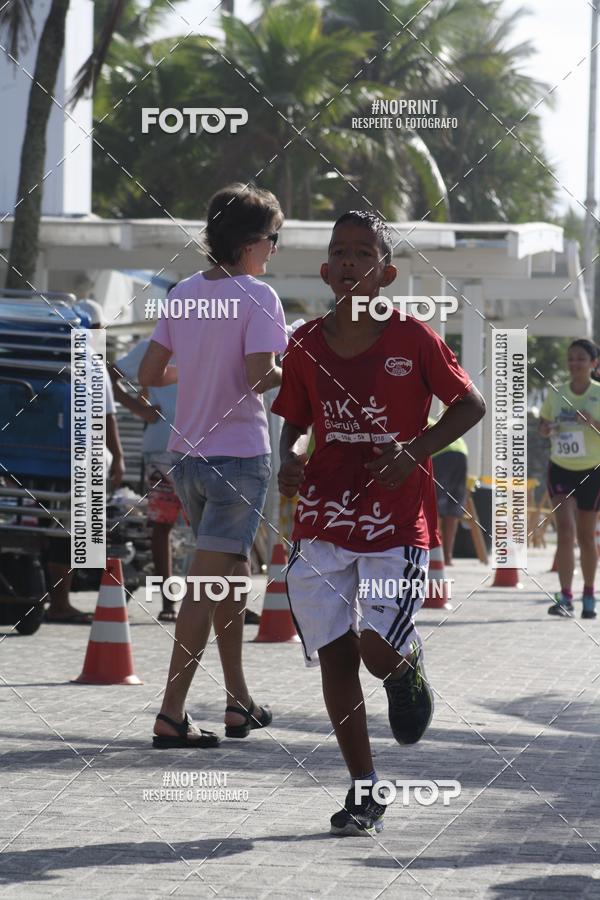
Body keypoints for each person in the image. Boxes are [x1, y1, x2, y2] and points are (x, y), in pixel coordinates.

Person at [272, 210, 485, 835]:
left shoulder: (414, 338)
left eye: (362, 253)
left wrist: (414, 451)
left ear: (385, 273)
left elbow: (469, 404)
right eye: (338, 252)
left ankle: (405, 660)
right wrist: (288, 458)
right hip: (323, 518)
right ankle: (365, 791)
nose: (348, 262)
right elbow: (296, 420)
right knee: (336, 658)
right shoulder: (306, 342)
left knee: (374, 650)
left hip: (396, 519)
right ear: (324, 269)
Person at [139, 183, 288, 748]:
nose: (273, 250)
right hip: (240, 456)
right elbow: (258, 376)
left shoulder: (183, 293)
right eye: (273, 239)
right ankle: (172, 712)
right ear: (251, 243)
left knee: (227, 579)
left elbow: (151, 373)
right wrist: (295, 362)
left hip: (188, 458)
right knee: (208, 584)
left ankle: (238, 703)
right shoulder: (259, 296)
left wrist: (197, 371)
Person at [44, 298, 125, 623]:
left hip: (48, 459)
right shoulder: (92, 362)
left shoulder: (48, 360)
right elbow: (107, 418)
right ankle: (60, 604)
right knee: (74, 535)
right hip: (84, 461)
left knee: (57, 532)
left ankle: (54, 599)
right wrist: (118, 458)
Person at [111, 337, 181, 622]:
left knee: (210, 530)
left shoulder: (217, 337)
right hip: (164, 447)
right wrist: (140, 409)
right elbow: (106, 374)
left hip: (209, 446)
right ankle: (169, 602)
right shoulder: (154, 344)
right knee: (162, 525)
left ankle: (212, 604)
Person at [539, 338, 600, 619]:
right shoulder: (557, 393)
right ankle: (565, 597)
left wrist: (592, 423)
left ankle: (589, 595)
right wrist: (546, 428)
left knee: (587, 536)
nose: (575, 363)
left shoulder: (598, 394)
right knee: (565, 532)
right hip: (561, 467)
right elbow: (543, 424)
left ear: (593, 364)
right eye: (571, 358)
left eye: (581, 358)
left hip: (592, 471)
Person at [429, 416, 468, 566]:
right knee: (453, 507)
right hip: (461, 450)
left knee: (433, 506)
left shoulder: (410, 419)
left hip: (440, 453)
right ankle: (447, 557)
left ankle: (435, 555)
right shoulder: (431, 420)